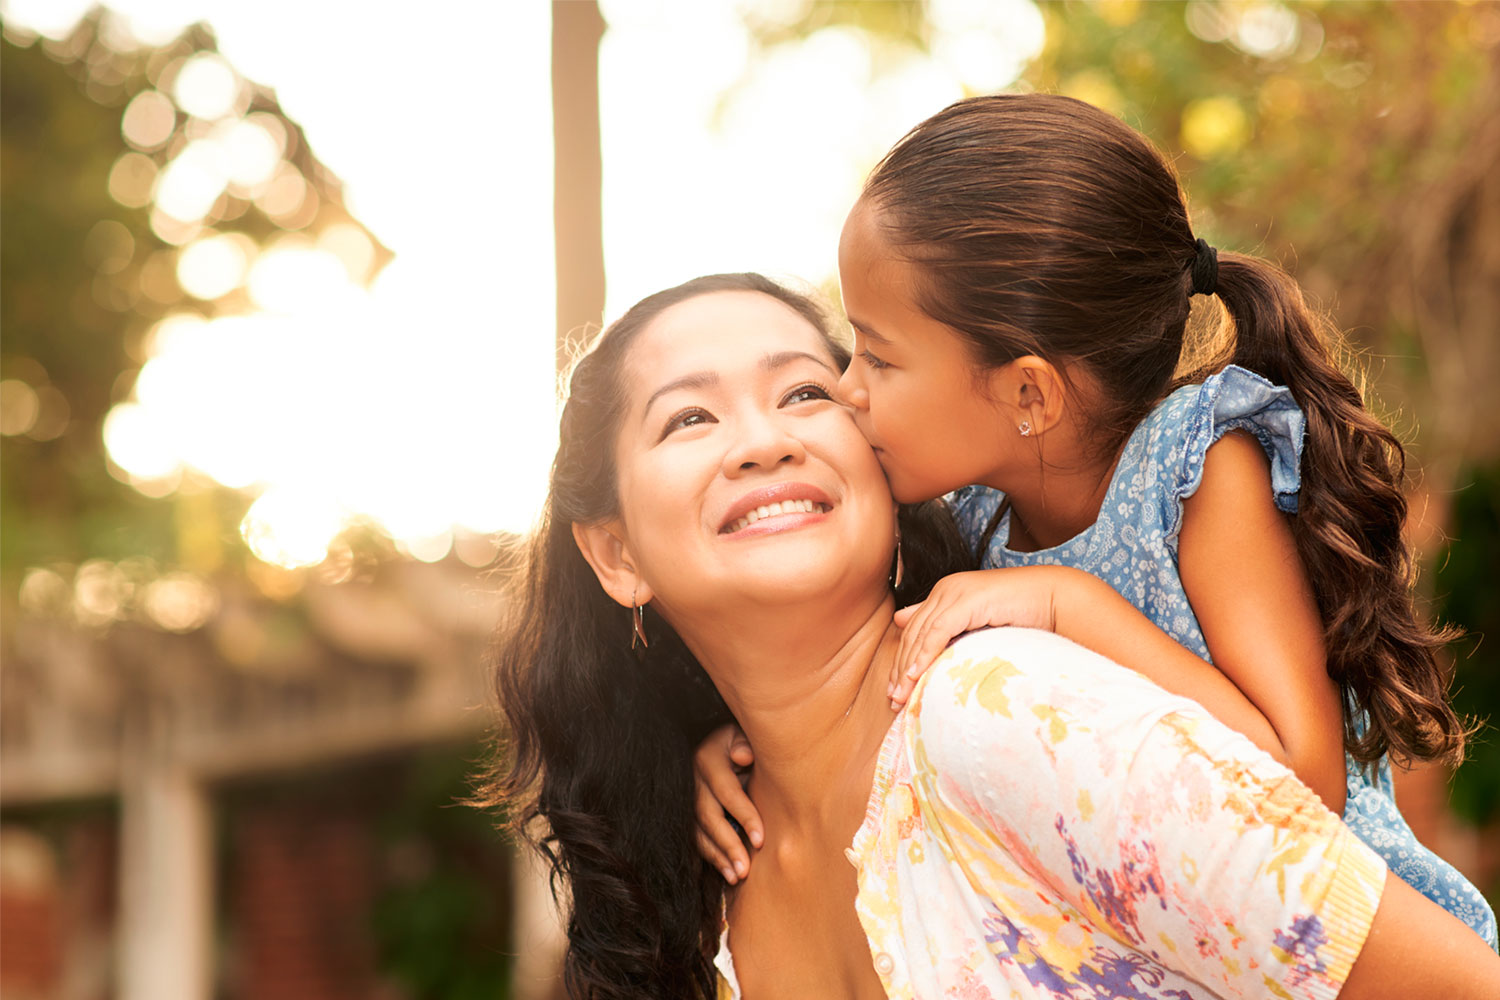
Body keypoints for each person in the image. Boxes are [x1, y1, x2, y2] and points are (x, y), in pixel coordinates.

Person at [485, 271, 1500, 999]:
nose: (766, 439)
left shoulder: (1007, 712)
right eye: (688, 419)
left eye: (805, 390)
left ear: (877, 452)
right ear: (614, 554)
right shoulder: (706, 880)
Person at [691, 94, 1497, 950]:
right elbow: (871, 682)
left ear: (1028, 393)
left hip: (1347, 950)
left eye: (881, 356)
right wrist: (752, 756)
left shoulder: (1196, 475)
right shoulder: (961, 515)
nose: (850, 387)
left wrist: (1068, 605)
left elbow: (1303, 783)